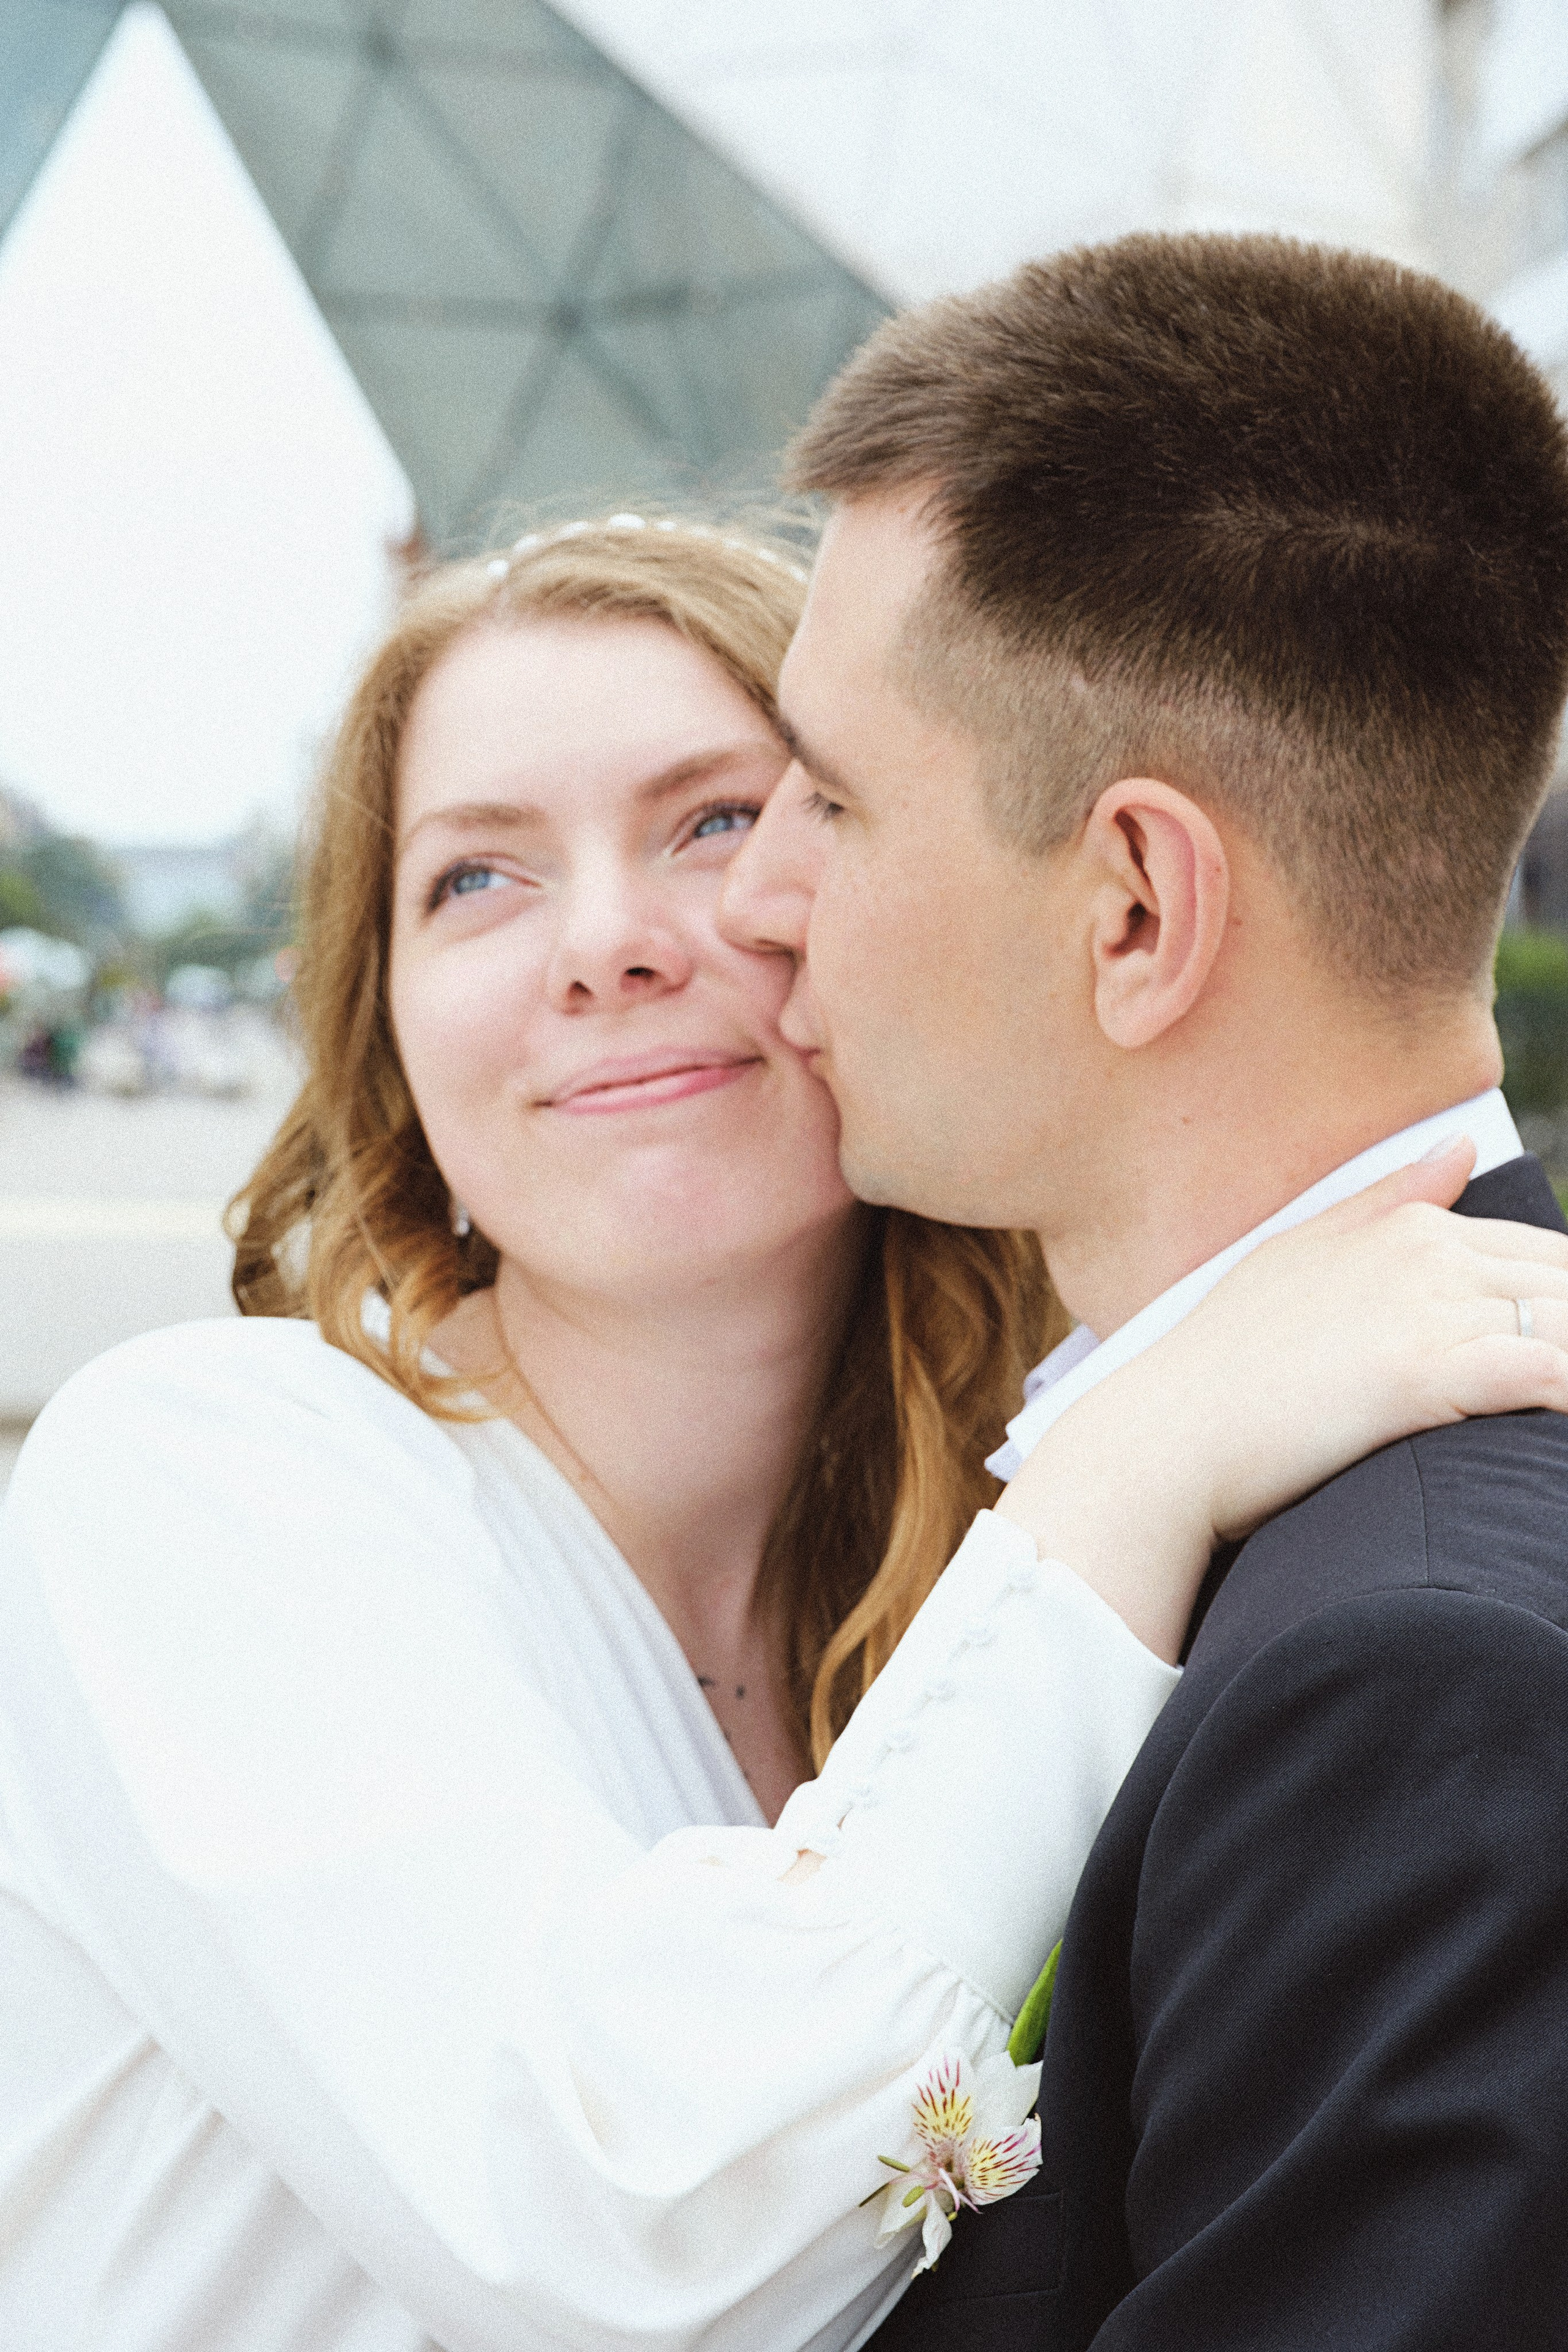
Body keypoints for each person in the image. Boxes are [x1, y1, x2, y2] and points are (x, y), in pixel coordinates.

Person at [0, 522, 1562, 2352]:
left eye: (719, 822)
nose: (605, 946)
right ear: (389, 1031)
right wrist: (1151, 1444)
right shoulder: (199, 1484)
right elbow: (625, 2226)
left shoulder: (980, 1576)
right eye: (476, 877)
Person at [720, 233, 1568, 2349]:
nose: (755, 898)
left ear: (1136, 911)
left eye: (834, 797)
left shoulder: (1415, 1686)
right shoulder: (1313, 1545)